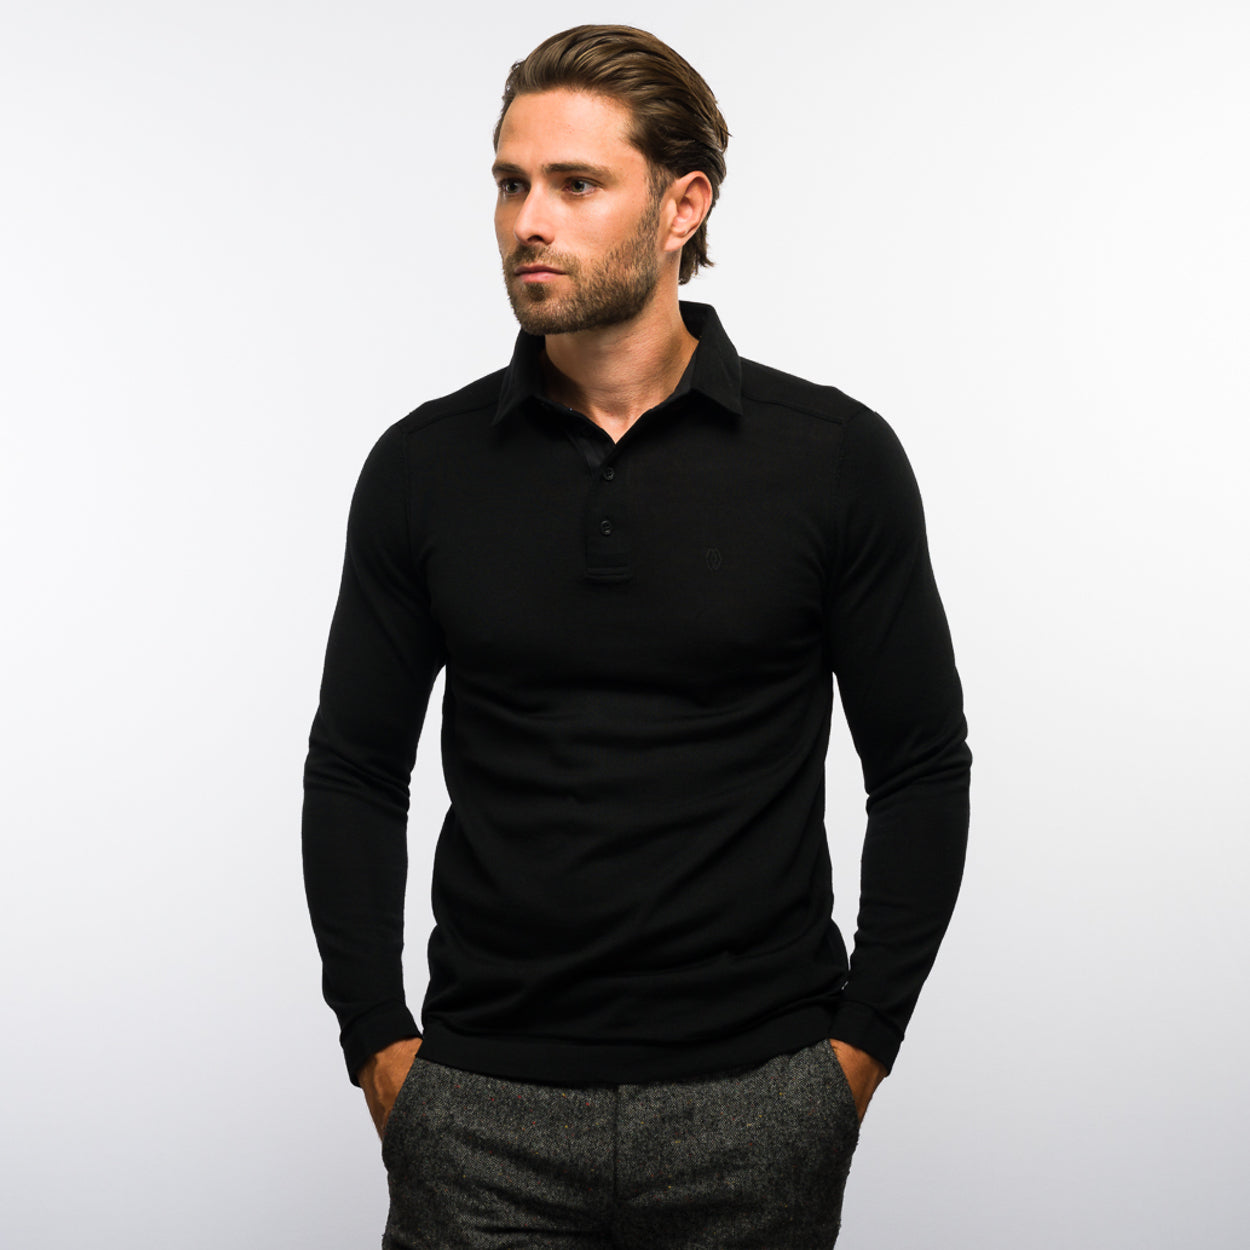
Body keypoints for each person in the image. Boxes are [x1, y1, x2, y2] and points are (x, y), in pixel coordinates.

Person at [301, 23, 970, 1249]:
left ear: (681, 206)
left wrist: (853, 1054)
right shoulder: (423, 467)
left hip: (755, 1104)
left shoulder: (831, 459)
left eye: (575, 183)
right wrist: (379, 1047)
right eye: (510, 182)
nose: (527, 221)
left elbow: (920, 765)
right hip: (478, 1107)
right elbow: (353, 767)